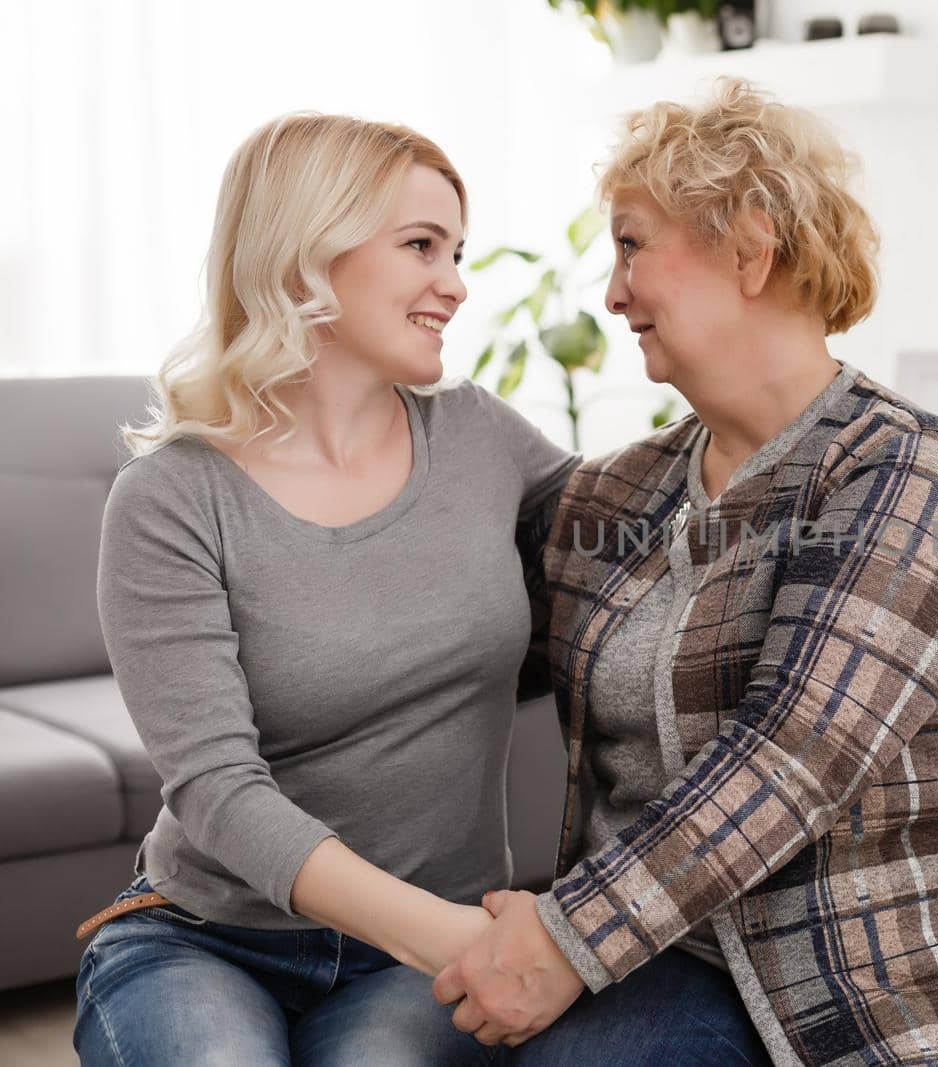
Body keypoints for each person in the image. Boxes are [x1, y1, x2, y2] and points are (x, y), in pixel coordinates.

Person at [434, 78, 938, 1067]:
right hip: (664, 955)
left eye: (632, 243)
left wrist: (562, 937)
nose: (611, 290)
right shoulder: (614, 493)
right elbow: (459, 660)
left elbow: (792, 755)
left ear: (748, 248)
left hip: (882, 988)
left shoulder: (907, 470)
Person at [75, 113, 577, 1065]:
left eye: (457, 250)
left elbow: (645, 528)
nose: (456, 284)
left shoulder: (479, 436)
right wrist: (464, 939)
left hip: (411, 970)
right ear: (307, 255)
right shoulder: (172, 497)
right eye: (421, 246)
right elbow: (218, 788)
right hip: (207, 938)